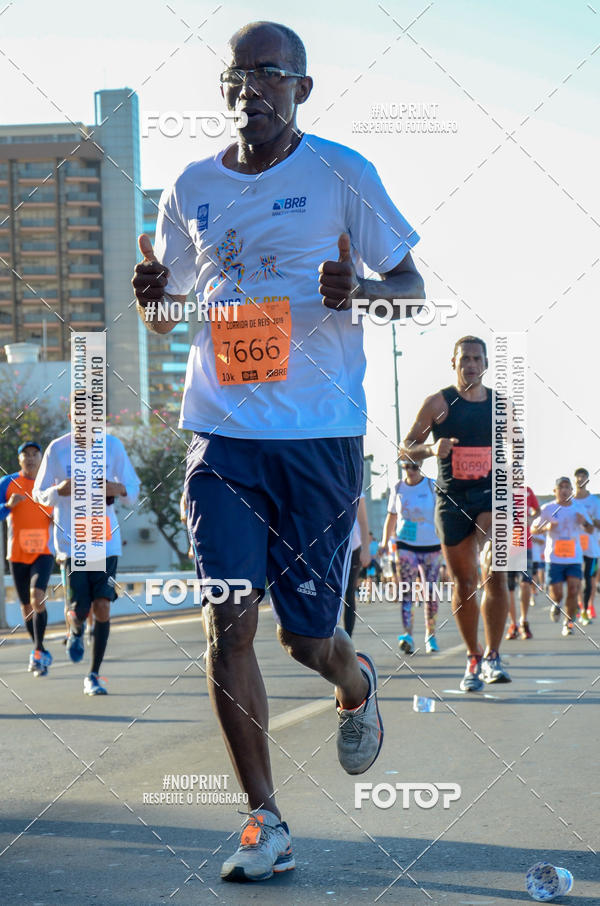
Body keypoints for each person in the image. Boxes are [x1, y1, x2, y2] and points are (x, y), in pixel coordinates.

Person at [132, 20, 424, 883]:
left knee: (305, 640)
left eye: (269, 73)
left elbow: (413, 286)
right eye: (236, 74)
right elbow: (170, 304)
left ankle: (355, 680)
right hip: (223, 437)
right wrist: (154, 297)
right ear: (223, 88)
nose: (249, 88)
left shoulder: (342, 175)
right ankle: (264, 817)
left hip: (319, 440)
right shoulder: (189, 186)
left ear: (302, 86)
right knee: (228, 619)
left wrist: (364, 290)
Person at [401, 336, 511, 692]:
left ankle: (494, 655)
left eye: (477, 359)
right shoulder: (438, 403)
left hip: (491, 497)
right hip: (452, 500)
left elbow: (516, 445)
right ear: (454, 363)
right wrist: (433, 448)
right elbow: (406, 449)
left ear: (486, 364)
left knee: (496, 570)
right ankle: (474, 656)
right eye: (465, 359)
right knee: (464, 585)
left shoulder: (500, 405)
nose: (471, 365)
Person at [34, 404, 140, 694]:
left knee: (103, 605)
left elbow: (133, 488)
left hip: (105, 542)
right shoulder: (57, 449)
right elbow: (39, 494)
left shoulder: (112, 445)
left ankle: (93, 675)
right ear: (71, 417)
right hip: (72, 544)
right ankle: (76, 630)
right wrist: (59, 491)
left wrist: (116, 489)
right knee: (80, 609)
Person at [0, 441, 54, 676]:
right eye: (26, 454)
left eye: (35, 454)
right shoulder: (8, 483)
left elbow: (65, 511)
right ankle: (38, 650)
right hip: (18, 553)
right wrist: (7, 506)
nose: (30, 458)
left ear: (41, 458)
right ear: (19, 459)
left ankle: (39, 650)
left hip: (43, 552)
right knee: (26, 607)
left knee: (37, 597)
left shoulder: (50, 483)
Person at [381, 460, 442, 654]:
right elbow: (391, 516)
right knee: (407, 591)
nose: (411, 471)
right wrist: (384, 543)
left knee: (430, 593)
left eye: (414, 466)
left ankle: (430, 635)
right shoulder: (398, 487)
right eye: (406, 466)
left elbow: (442, 513)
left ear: (421, 465)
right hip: (405, 545)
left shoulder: (432, 485)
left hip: (431, 545)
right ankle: (407, 634)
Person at [531, 477, 587, 636]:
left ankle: (569, 622)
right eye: (560, 487)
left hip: (574, 557)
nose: (564, 490)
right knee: (557, 593)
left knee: (574, 589)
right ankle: (556, 603)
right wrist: (546, 527)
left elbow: (590, 529)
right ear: (555, 491)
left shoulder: (579, 508)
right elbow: (533, 529)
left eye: (567, 487)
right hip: (554, 558)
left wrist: (584, 523)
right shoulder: (548, 508)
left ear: (571, 490)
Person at [505, 486, 540, 640]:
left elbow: (537, 510)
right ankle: (513, 624)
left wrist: (531, 518)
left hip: (524, 545)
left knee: (525, 583)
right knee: (509, 588)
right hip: (504, 546)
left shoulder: (527, 491)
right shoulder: (498, 491)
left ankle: (524, 620)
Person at [573, 467, 600, 624]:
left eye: (583, 476)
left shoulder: (595, 502)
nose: (580, 479)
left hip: (591, 547)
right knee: (575, 579)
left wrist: (589, 520)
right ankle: (579, 606)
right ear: (575, 479)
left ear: (587, 480)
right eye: (578, 476)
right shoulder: (571, 501)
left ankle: (586, 609)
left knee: (588, 579)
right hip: (573, 546)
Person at [342, 496, 370, 637]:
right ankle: (326, 637)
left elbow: (363, 522)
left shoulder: (355, 484)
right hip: (329, 548)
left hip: (353, 548)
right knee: (329, 593)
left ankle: (347, 637)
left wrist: (365, 549)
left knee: (349, 592)